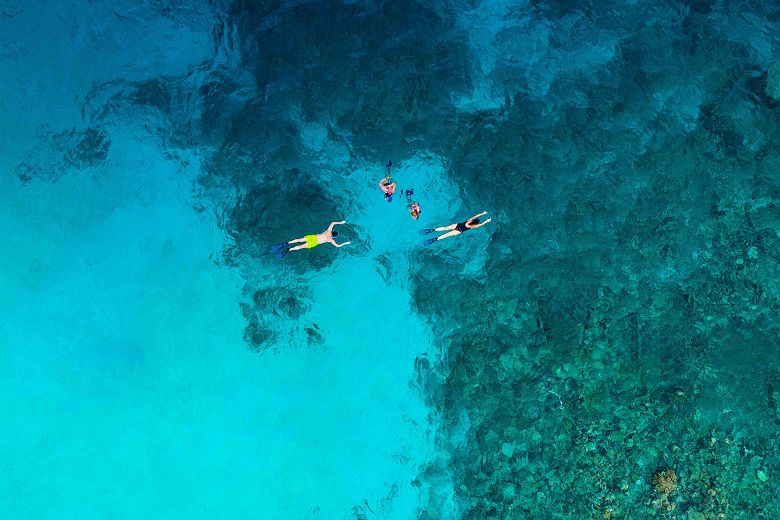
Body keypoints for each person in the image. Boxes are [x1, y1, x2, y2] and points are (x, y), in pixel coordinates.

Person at [272, 221, 350, 259]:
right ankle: (288, 249)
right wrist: (345, 243)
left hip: (314, 237)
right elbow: (337, 246)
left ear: (333, 232)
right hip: (315, 242)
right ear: (334, 237)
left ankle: (287, 243)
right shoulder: (331, 240)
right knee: (300, 247)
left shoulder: (328, 231)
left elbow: (333, 223)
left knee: (299, 240)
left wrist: (341, 222)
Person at [421, 211, 492, 245]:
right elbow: (481, 224)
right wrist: (487, 221)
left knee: (446, 228)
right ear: (475, 223)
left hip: (458, 225)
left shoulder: (469, 220)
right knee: (446, 235)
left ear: (473, 220)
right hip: (459, 230)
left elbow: (476, 216)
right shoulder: (473, 226)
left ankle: (433, 230)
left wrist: (482, 213)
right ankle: (435, 239)